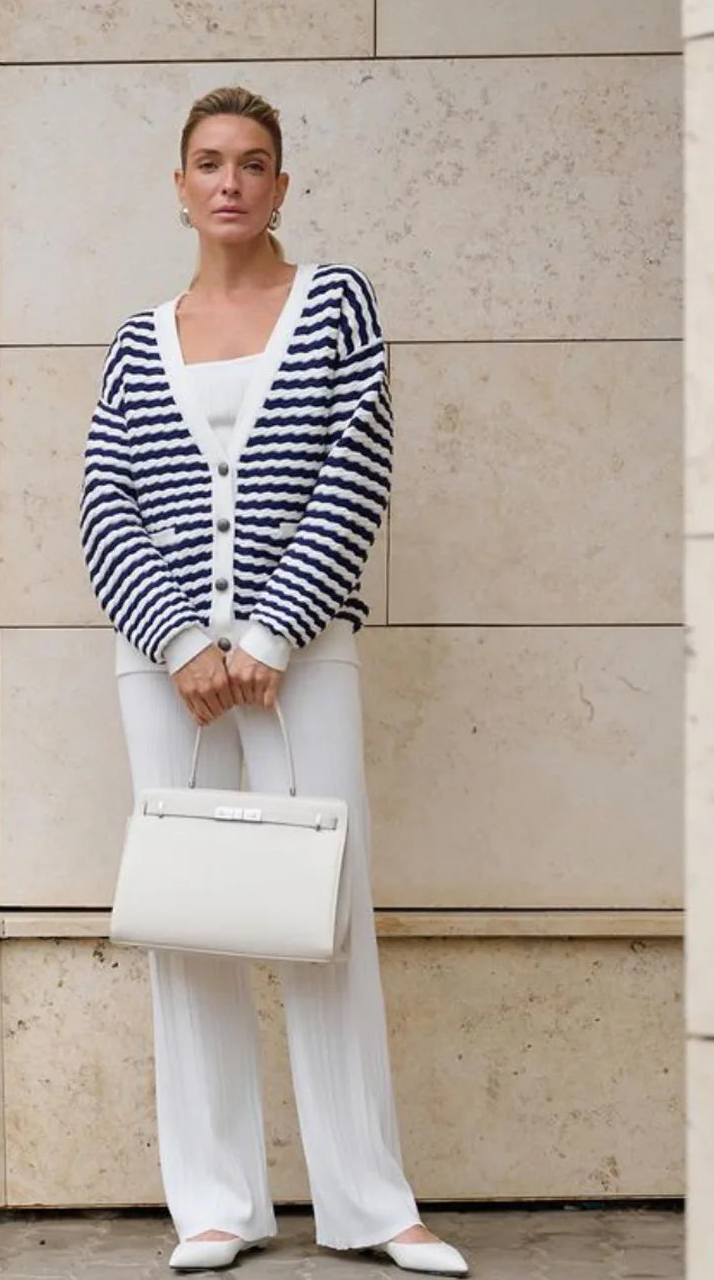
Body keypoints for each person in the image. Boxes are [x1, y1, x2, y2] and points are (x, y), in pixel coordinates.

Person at [80, 86, 468, 1277]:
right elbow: (106, 503)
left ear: (282, 185)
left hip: (296, 654)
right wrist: (182, 643)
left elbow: (358, 467)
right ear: (180, 184)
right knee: (187, 918)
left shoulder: (334, 303)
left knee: (328, 912)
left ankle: (369, 1200)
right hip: (166, 666)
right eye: (208, 162)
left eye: (253, 162)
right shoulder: (140, 337)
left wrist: (268, 634)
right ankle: (214, 1201)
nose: (230, 181)